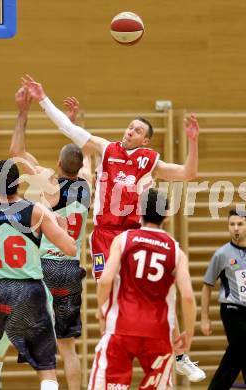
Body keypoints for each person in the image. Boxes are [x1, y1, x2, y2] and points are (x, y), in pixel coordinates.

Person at [21, 75, 205, 382]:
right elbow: (69, 130)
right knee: (107, 293)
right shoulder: (106, 149)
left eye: (136, 131)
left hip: (135, 237)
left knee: (158, 293)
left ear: (146, 140)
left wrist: (193, 141)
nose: (129, 131)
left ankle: (180, 354)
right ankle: (110, 347)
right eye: (130, 127)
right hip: (105, 237)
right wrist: (43, 99)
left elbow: (188, 173)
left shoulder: (149, 161)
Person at [0, 88, 91, 390]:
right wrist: (73, 125)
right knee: (68, 348)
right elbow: (79, 155)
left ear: (58, 163)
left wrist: (23, 113)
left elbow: (16, 152)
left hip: (44, 267)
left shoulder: (49, 182)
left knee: (10, 321)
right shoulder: (89, 185)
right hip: (70, 268)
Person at [0, 159, 76, 390]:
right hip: (30, 292)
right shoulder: (36, 212)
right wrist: (63, 229)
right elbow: (69, 248)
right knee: (46, 369)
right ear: (19, 183)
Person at [88, 188, 197, 389]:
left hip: (121, 329)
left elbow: (104, 281)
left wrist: (101, 310)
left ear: (139, 210)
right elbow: (188, 297)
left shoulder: (123, 240)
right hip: (159, 333)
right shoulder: (176, 250)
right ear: (166, 214)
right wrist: (188, 334)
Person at [201, 209, 246, 390]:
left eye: (240, 224)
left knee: (236, 355)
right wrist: (204, 318)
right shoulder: (222, 254)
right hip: (232, 311)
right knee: (242, 347)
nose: (236, 228)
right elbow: (207, 285)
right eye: (232, 224)